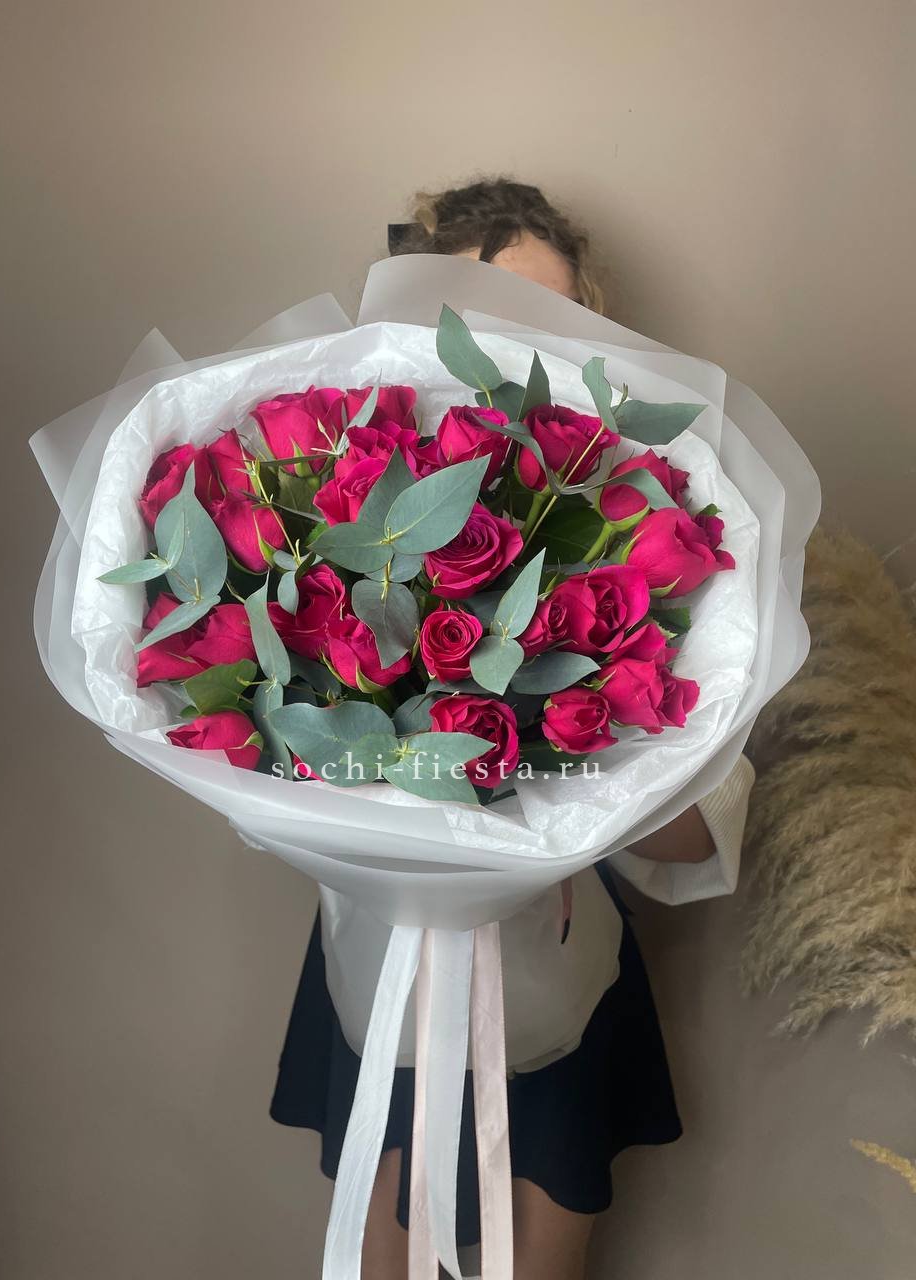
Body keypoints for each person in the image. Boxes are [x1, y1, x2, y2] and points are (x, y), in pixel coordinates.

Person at [270, 176, 755, 1280]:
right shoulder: (329, 500)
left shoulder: (655, 513)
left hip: (558, 970)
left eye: (550, 320)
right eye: (479, 317)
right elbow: (276, 756)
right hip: (385, 966)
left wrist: (578, 740)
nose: (509, 355)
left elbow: (698, 838)